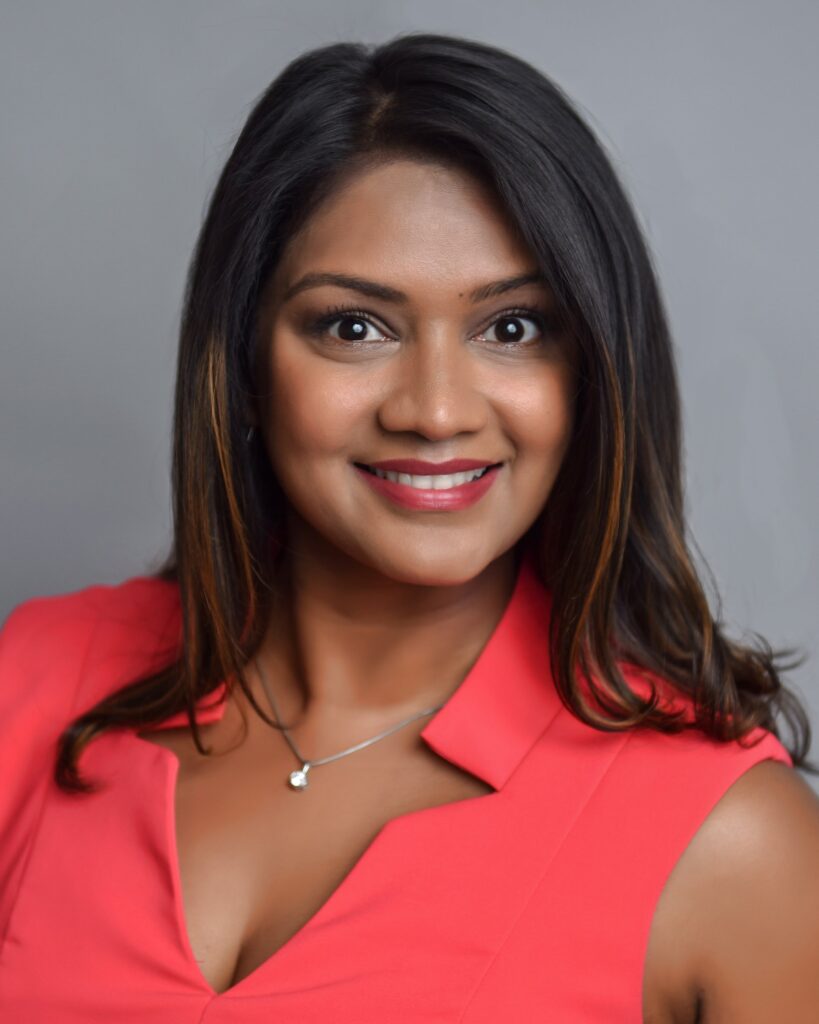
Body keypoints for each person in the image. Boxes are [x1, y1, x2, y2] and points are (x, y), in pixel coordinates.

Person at [1, 31, 817, 1022]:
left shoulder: (729, 840)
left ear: (593, 374)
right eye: (355, 326)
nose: (435, 410)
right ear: (246, 363)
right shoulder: (35, 681)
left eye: (510, 328)